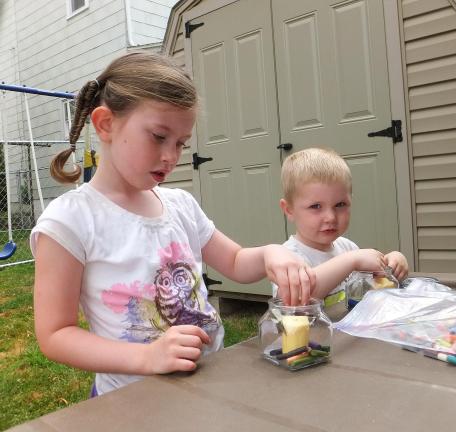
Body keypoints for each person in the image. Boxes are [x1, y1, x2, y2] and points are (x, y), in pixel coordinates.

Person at [30, 52, 314, 396]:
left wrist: (271, 254)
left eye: (181, 143)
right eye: (158, 136)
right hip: (133, 401)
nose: (171, 156)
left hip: (210, 385)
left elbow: (237, 263)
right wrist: (148, 357)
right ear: (105, 123)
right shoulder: (70, 221)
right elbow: (56, 334)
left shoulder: (180, 205)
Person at [274, 147, 409, 308]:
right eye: (316, 206)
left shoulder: (347, 248)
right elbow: (295, 301)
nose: (330, 217)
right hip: (311, 333)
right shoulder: (288, 257)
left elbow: (370, 284)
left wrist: (392, 264)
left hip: (347, 331)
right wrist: (351, 261)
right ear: (289, 210)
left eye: (340, 204)